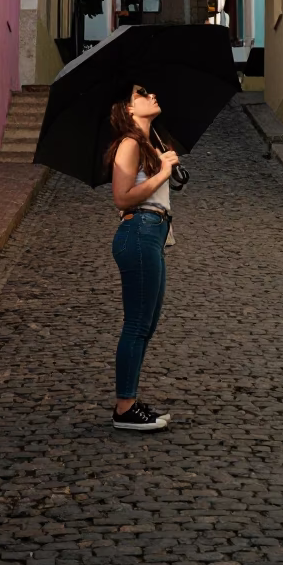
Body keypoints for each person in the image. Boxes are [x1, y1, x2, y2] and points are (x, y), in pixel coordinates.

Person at [105, 84, 179, 431]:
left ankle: (130, 400)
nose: (152, 95)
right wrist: (162, 173)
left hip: (153, 232)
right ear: (128, 108)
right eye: (141, 93)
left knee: (145, 325)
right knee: (136, 324)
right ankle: (124, 408)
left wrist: (165, 165)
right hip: (138, 233)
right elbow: (122, 197)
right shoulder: (129, 144)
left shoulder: (149, 144)